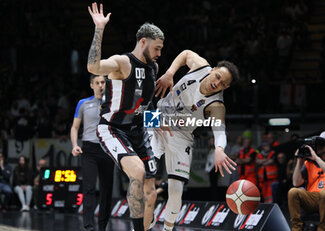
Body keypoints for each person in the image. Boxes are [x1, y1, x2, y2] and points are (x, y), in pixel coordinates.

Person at [86, 3, 165, 230]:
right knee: (138, 173)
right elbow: (93, 66)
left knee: (151, 192)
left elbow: (147, 104)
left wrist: (156, 123)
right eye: (157, 48)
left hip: (139, 130)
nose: (159, 53)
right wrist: (99, 29)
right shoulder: (122, 62)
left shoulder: (153, 68)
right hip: (113, 128)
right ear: (143, 42)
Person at [151, 50, 239, 231]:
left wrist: (219, 149)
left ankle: (167, 229)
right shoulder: (200, 66)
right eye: (217, 76)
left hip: (182, 136)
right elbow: (185, 54)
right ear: (213, 69)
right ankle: (143, 221)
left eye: (223, 83)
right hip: (156, 117)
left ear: (226, 88)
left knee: (176, 190)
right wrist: (169, 73)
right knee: (142, 176)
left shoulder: (216, 105)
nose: (217, 83)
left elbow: (220, 132)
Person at [70, 74, 114, 231]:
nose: (101, 85)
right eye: (97, 82)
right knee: (88, 188)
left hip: (108, 149)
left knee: (106, 190)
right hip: (89, 149)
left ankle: (102, 227)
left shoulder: (112, 102)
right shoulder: (83, 103)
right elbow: (75, 127)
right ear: (92, 85)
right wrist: (75, 145)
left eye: (103, 82)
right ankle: (88, 227)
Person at [288, 131, 325, 231]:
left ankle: (322, 229)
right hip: (313, 198)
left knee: (324, 193)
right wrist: (299, 160)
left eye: (322, 143)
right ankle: (296, 228)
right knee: (293, 192)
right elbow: (296, 183)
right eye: (317, 143)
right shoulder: (308, 163)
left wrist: (316, 158)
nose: (319, 146)